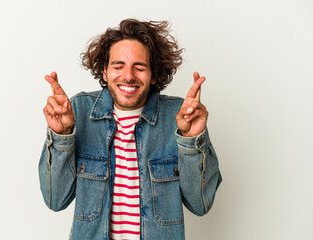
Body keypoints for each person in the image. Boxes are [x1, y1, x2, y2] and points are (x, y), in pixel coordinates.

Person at [39, 18, 222, 240]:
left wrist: (191, 141)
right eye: (118, 66)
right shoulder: (79, 111)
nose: (128, 76)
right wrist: (62, 137)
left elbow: (200, 204)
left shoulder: (179, 117)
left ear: (153, 74)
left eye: (139, 67)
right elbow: (55, 200)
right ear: (104, 72)